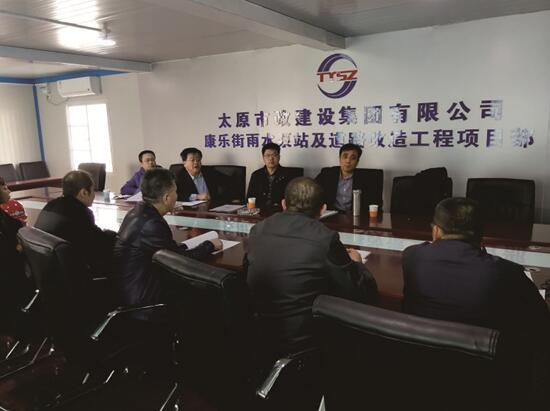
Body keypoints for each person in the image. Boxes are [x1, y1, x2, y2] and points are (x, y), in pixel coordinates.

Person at [402, 197, 550, 407]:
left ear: (435, 231)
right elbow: (541, 319)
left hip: (421, 373)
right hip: (487, 385)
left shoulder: (411, 257)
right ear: (481, 235)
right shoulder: (507, 273)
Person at [245, 177, 378, 356]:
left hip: (258, 334)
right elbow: (356, 293)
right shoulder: (325, 238)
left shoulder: (257, 230)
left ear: (283, 204)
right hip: (303, 344)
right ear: (323, 209)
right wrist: (357, 264)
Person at [112, 168, 222, 306]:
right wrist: (209, 245)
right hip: (144, 299)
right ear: (166, 198)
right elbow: (181, 261)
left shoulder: (138, 211)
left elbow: (167, 250)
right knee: (209, 293)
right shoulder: (152, 223)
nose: (177, 195)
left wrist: (183, 246)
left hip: (133, 287)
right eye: (175, 192)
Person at [34, 170, 116, 276]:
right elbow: (98, 244)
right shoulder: (80, 212)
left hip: (44, 269)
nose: (94, 195)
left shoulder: (51, 205)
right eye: (93, 190)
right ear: (84, 193)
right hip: (67, 274)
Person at [0, 177, 33, 326]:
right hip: (8, 278)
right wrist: (19, 247)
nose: (9, 191)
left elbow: (19, 227)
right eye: (4, 188)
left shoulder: (2, 213)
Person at [315, 143, 383, 212]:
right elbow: (312, 190)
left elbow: (375, 204)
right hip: (332, 214)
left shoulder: (367, 179)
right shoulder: (327, 174)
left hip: (355, 215)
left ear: (357, 161)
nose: (348, 161)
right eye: (345, 156)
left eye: (353, 158)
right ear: (339, 158)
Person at [246, 142, 296, 209]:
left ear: (279, 157)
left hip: (280, 211)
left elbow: (292, 199)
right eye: (267, 155)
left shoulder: (288, 175)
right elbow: (250, 198)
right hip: (259, 211)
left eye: (274, 155)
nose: (271, 158)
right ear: (263, 157)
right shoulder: (256, 175)